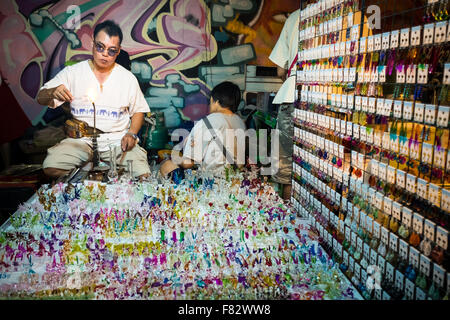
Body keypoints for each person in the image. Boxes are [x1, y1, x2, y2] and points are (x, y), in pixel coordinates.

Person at [36, 20, 150, 179]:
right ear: (92, 44)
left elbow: (138, 111)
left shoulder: (127, 78)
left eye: (111, 51)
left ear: (118, 51)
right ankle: (93, 180)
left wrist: (132, 134)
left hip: (117, 141)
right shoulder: (73, 73)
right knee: (52, 166)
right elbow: (40, 98)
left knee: (142, 174)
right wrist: (53, 92)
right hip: (82, 140)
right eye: (100, 47)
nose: (104, 54)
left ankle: (102, 181)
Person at [160, 81, 246, 177]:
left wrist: (174, 157)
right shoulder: (240, 122)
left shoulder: (209, 121)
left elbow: (187, 163)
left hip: (213, 179)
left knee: (167, 165)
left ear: (215, 101)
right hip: (237, 178)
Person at [269, 9, 300, 200]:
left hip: (293, 97)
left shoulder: (296, 17)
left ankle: (291, 224)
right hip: (337, 103)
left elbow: (280, 69)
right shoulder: (357, 13)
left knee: (289, 174)